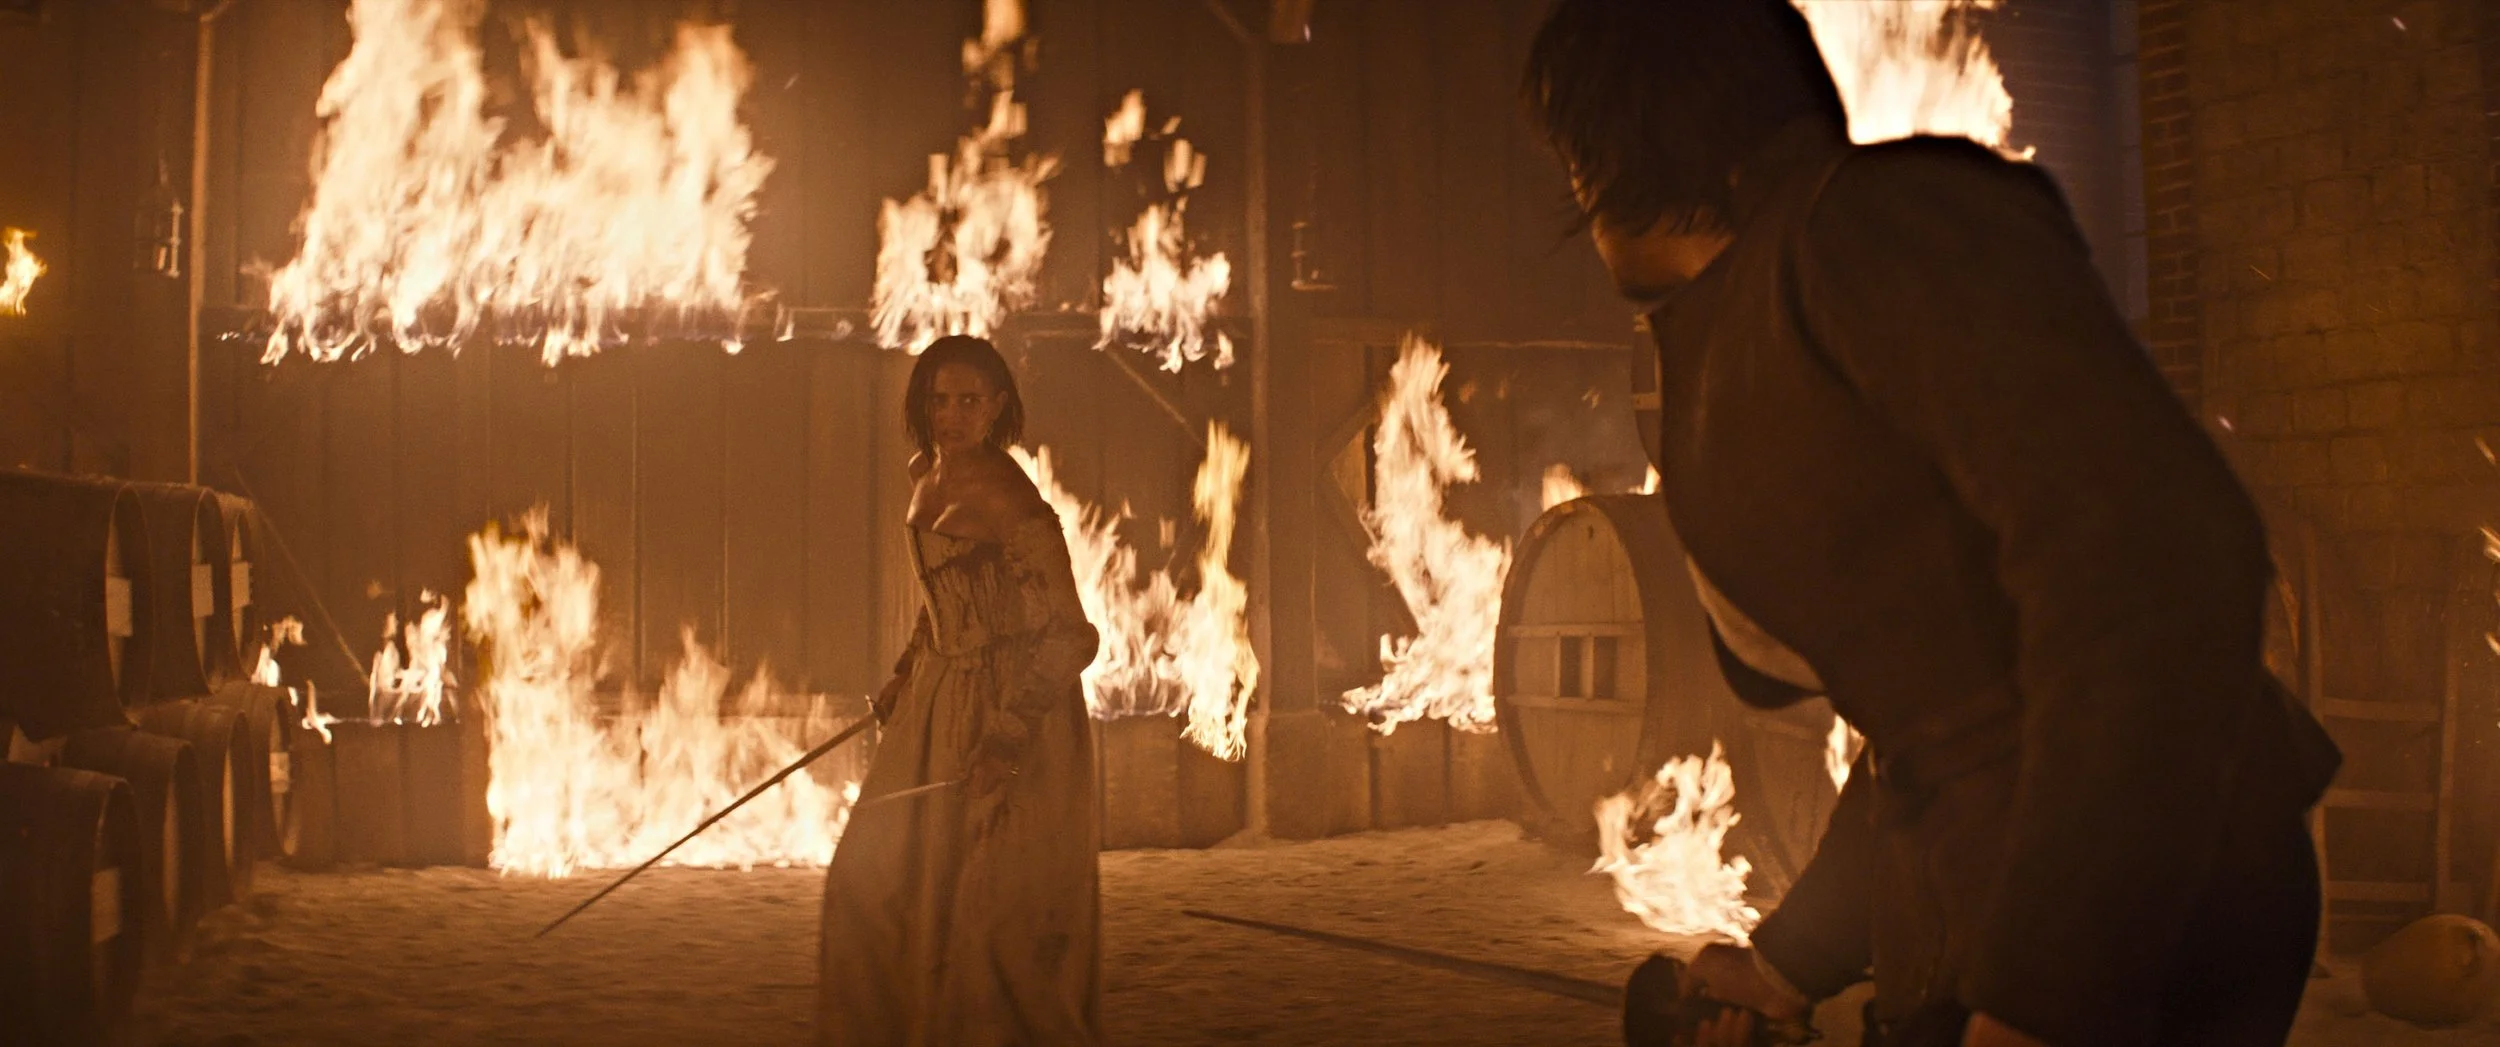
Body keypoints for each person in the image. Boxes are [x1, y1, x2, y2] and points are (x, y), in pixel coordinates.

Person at [1520, 3, 2342, 1046]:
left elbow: (2154, 565)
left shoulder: (1872, 225)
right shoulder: (1767, 286)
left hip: (2139, 893)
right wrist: (1789, 960)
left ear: (1623, 147)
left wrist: (2048, 994)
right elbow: (1935, 723)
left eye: (1578, 164)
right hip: (1998, 885)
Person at [818, 334, 1102, 1047]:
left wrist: (1006, 739)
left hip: (1013, 709)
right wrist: (907, 670)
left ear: (997, 406)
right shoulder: (926, 472)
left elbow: (1071, 634)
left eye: (969, 401)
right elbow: (944, 599)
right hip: (939, 697)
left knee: (989, 917)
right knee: (869, 877)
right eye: (940, 400)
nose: (952, 415)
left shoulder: (1011, 497)